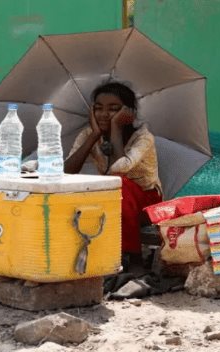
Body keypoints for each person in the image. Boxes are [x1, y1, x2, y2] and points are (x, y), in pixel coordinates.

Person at [65, 81, 162, 263]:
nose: (103, 114)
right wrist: (94, 135)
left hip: (146, 203)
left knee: (119, 183)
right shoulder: (89, 134)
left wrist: (116, 127)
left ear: (128, 114)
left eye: (113, 109)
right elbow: (66, 172)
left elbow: (120, 168)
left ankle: (130, 257)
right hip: (111, 198)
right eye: (98, 108)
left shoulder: (143, 137)